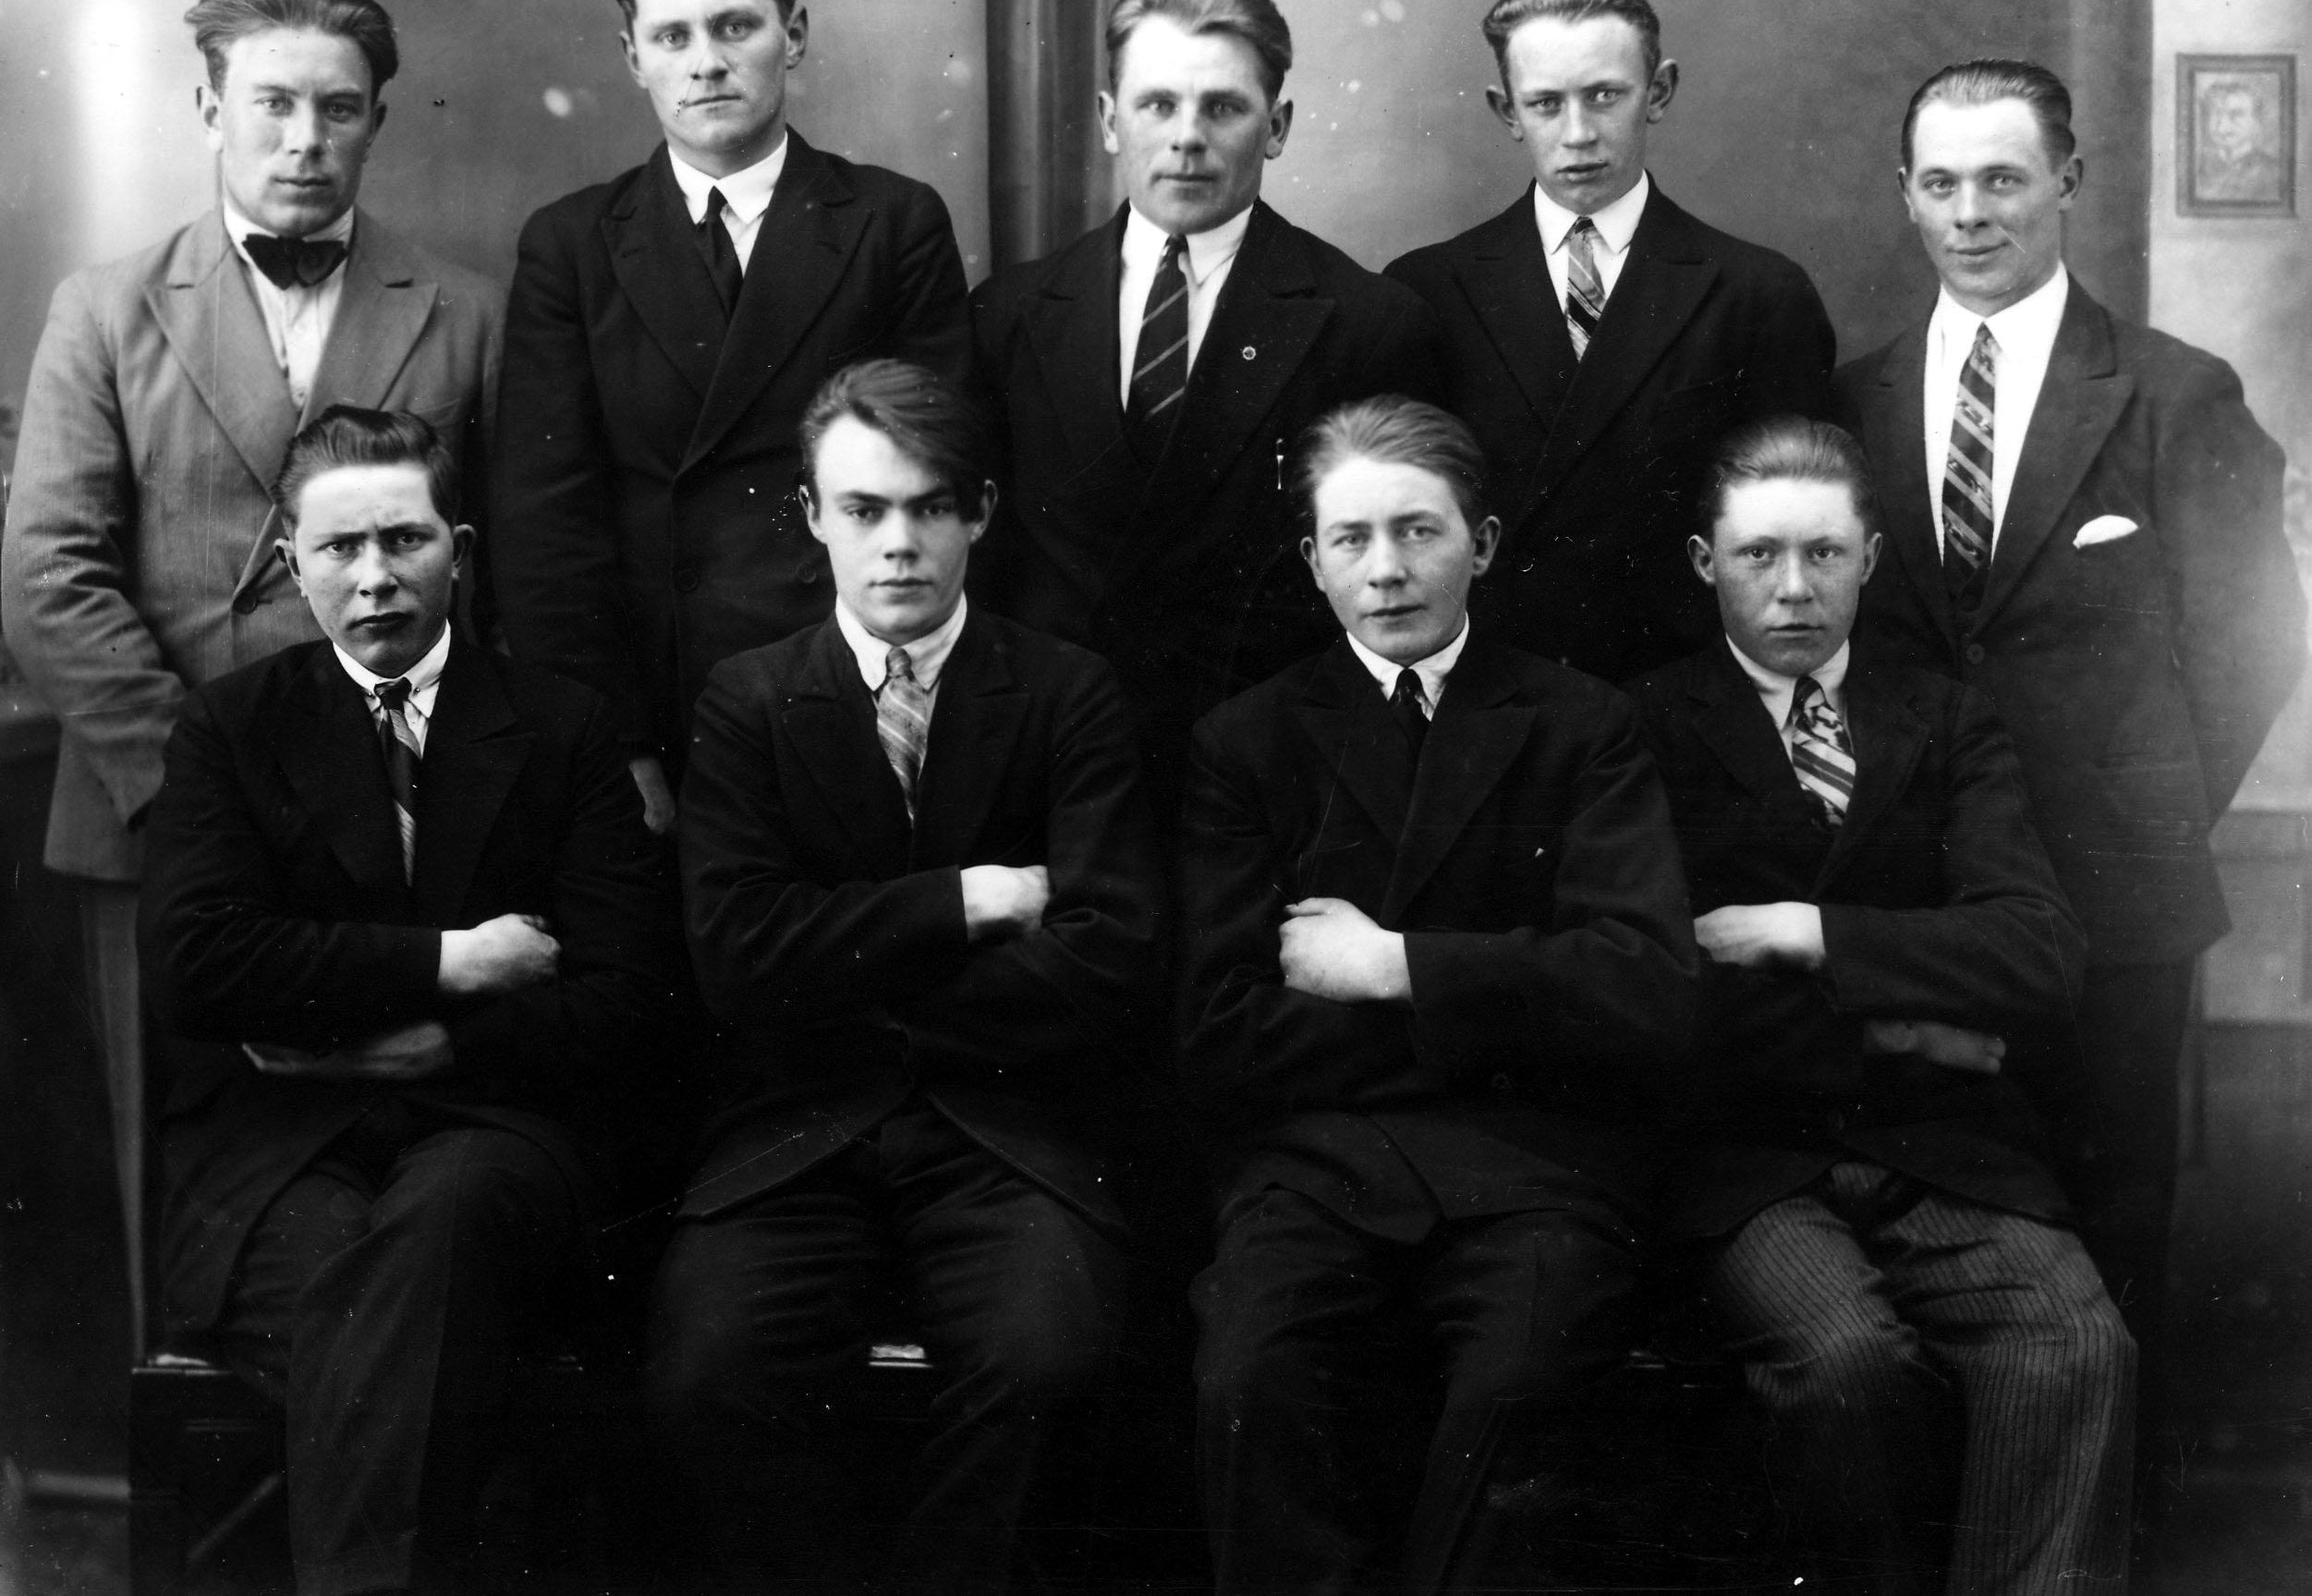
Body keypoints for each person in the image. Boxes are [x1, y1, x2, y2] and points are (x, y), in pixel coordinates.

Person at [0, 0, 501, 1340]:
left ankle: (372, 1437)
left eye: (338, 109)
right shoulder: (106, 308)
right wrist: (202, 798)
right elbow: (49, 581)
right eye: (272, 103)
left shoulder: (467, 310)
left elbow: (501, 577)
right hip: (158, 816)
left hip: (401, 822)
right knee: (182, 1194)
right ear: (208, 107)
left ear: (377, 121)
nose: (303, 139)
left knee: (402, 1178)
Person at [1831, 58, 2306, 1499]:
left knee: (2109, 1219)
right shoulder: (1854, 396)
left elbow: (2248, 644)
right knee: (1933, 1203)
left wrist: (2132, 819)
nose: (1969, 214)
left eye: (2002, 179)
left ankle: (2106, 1538)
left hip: (2113, 898)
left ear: (2067, 183)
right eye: (1939, 184)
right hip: (1919, 898)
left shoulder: (2171, 392)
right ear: (1904, 195)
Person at [138, 407, 680, 1596]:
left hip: (499, 1130)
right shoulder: (230, 727)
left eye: (405, 539)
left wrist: (416, 1047)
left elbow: (631, 996)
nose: (375, 576)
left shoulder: (564, 725)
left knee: (438, 1242)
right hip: (282, 1150)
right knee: (404, 1315)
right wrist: (455, 965)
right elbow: (196, 966)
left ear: (460, 550)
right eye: (339, 548)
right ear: (292, 567)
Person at [652, 359, 1162, 1590]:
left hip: (1005, 1131)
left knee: (1048, 1364)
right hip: (799, 1134)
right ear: (812, 516)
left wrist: (844, 977)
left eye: (930, 507)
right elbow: (734, 958)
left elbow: (1106, 958)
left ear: (979, 513)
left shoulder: (1067, 692)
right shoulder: (748, 699)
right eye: (865, 509)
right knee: (707, 1375)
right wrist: (968, 901)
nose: (898, 544)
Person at [1176, 395, 1696, 1591]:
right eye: (1351, 538)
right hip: (1316, 1170)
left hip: (1539, 1170)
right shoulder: (1247, 742)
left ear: (1484, 542)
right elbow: (1218, 1033)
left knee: (1518, 1382)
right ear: (1311, 560)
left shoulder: (1582, 725)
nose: (1387, 569)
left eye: (1418, 530)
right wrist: (1506, 1009)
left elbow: (1645, 993)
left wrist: (1394, 967)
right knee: (1249, 1374)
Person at [1625, 416, 2134, 1593]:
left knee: (2074, 1346)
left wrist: (1812, 935)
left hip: (1947, 1149)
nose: (1794, 588)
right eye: (1758, 555)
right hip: (1748, 1161)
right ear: (1705, 563)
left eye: (1824, 553)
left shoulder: (1944, 718)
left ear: (1871, 559)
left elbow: (2040, 953)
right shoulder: (1637, 725)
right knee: (1844, 1361)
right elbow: (1656, 991)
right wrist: (1916, 1022)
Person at [493, 0, 972, 834]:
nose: (706, 62)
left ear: (793, 35)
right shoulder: (573, 246)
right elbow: (545, 526)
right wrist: (614, 742)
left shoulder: (892, 223)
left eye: (735, 26)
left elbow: (939, 488)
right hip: (659, 703)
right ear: (633, 58)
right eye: (672, 37)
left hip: (852, 686)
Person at [970, 0, 1442, 813]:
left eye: (1222, 108)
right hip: (1058, 770)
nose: (1187, 138)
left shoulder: (1368, 323)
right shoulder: (1008, 314)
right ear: (1110, 121)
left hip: (1275, 777)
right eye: (1158, 106)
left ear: (1277, 127)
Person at [1387, 0, 1835, 683]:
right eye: (1545, 104)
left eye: (1604, 96)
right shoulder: (1427, 292)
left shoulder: (1759, 295)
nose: (1578, 134)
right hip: (1491, 698)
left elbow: (1796, 531)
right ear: (1506, 112)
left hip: (1685, 699)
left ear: (1658, 92)